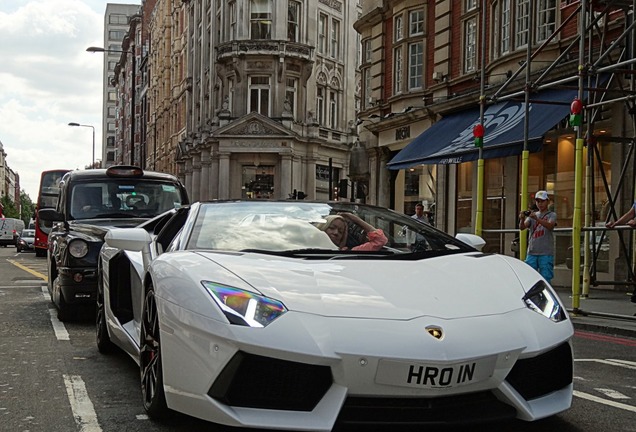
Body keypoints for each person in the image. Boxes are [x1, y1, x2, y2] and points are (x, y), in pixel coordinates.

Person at [519, 190, 557, 283]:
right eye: (538, 201)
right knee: (529, 277)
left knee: (545, 279)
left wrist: (537, 219)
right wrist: (522, 218)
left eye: (542, 201)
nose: (540, 204)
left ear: (547, 201)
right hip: (532, 252)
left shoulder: (552, 215)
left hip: (546, 252)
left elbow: (550, 226)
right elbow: (522, 227)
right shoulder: (533, 215)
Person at [316, 213, 387, 251]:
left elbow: (380, 240)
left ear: (343, 236)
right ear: (323, 228)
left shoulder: (349, 252)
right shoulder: (307, 247)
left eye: (341, 231)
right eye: (332, 228)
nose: (336, 232)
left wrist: (355, 219)